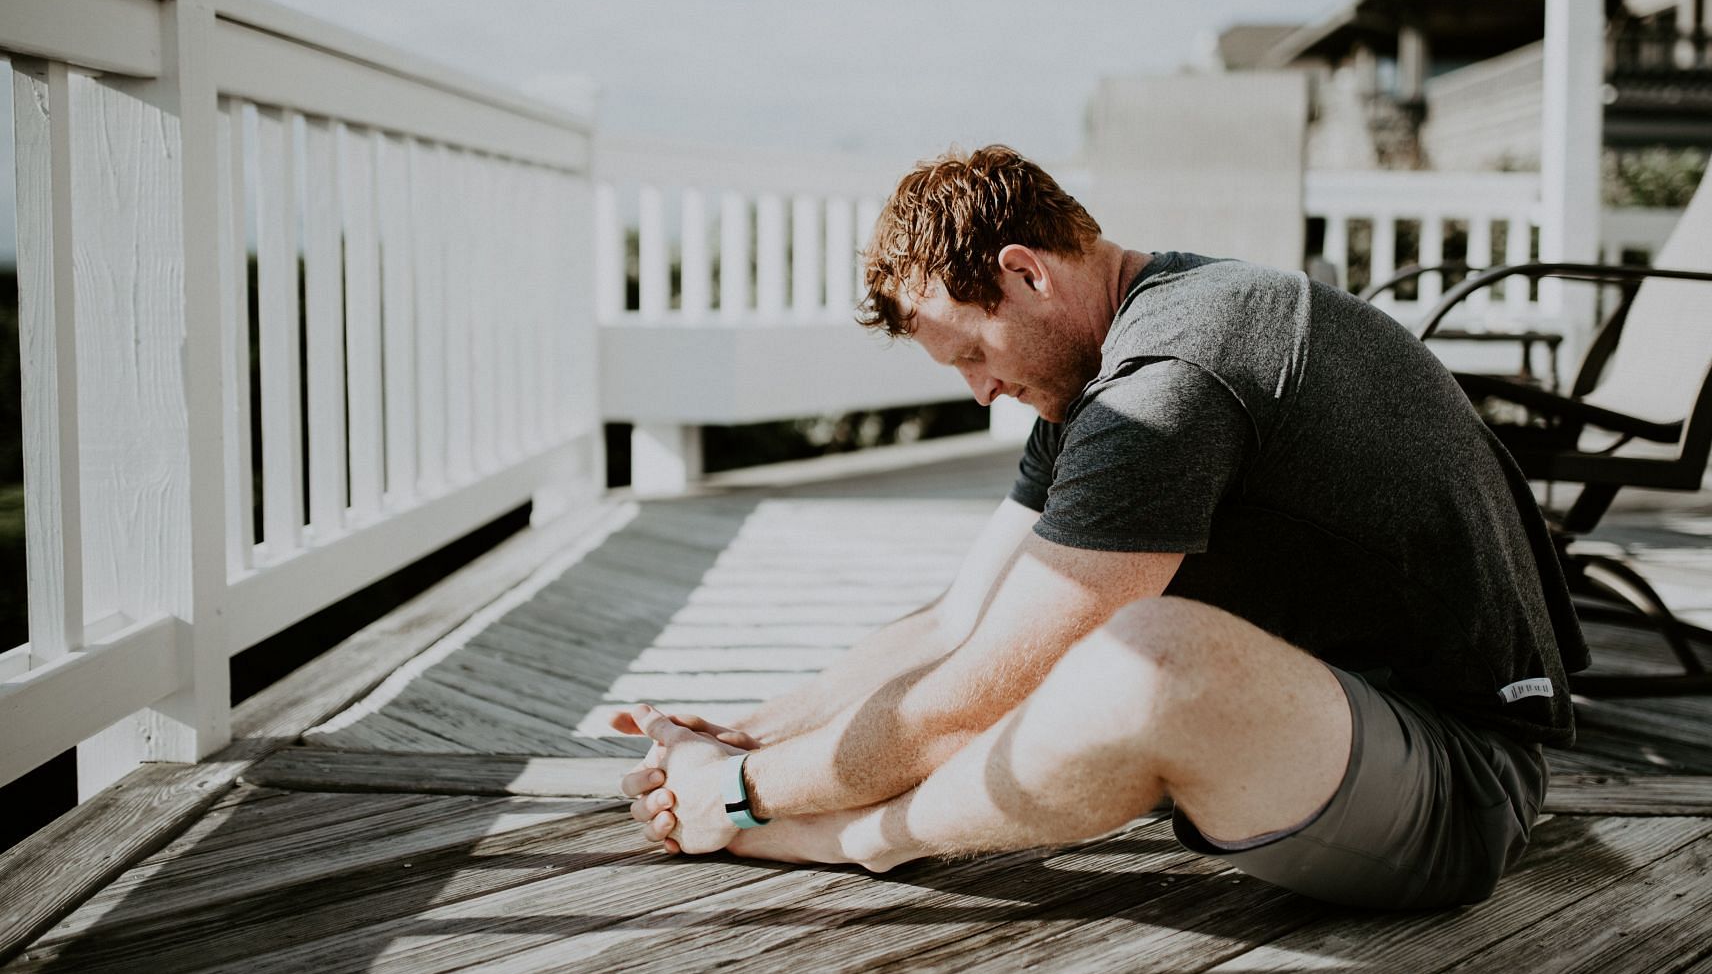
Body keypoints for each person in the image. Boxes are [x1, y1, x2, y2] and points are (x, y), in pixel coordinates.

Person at [613, 144, 1587, 911]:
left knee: (1141, 660)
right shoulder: (1099, 377)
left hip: (1459, 782)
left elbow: (970, 697)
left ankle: (853, 841)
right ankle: (798, 813)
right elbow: (960, 623)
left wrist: (748, 796)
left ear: (1026, 273)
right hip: (1323, 728)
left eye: (972, 353)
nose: (981, 389)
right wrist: (743, 735)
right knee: (1062, 644)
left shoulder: (1171, 378)